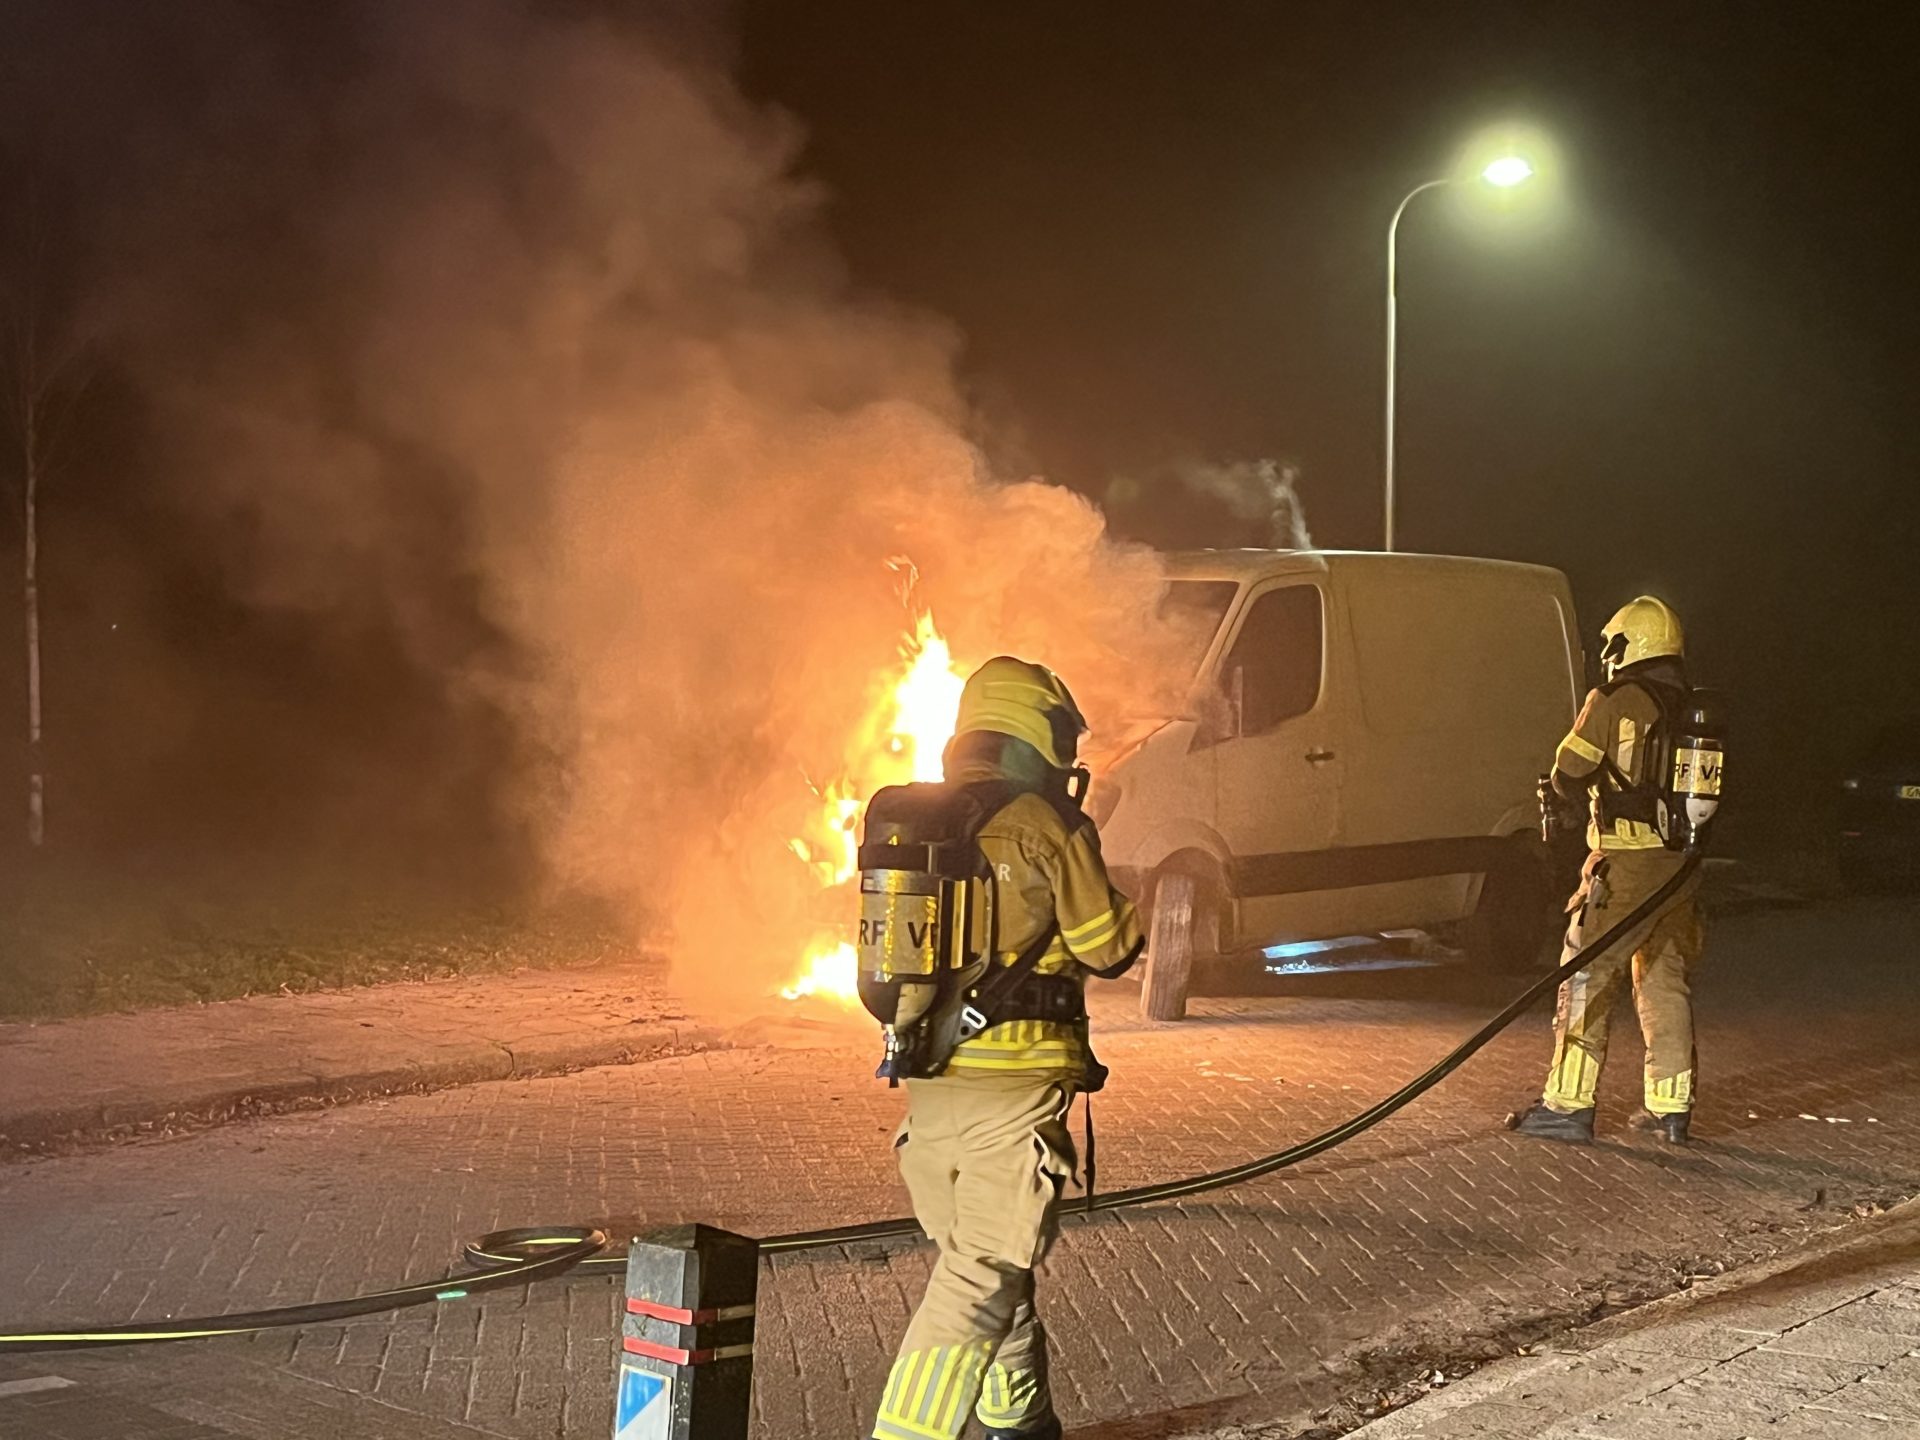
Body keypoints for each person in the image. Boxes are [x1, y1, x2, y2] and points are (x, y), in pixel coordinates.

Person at [869, 656, 1144, 1440]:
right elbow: (1108, 945)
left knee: (993, 1266)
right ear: (1036, 731)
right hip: (1013, 1088)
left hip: (929, 1085)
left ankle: (1019, 1421)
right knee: (981, 1278)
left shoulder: (918, 818)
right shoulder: (1044, 824)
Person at [1510, 596, 1707, 1147]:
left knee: (1584, 977)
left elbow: (1568, 770)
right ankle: (1671, 1109)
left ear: (1626, 645)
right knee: (1664, 981)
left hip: (1624, 867)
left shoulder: (1613, 700)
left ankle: (1567, 1107)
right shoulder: (1691, 708)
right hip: (1681, 868)